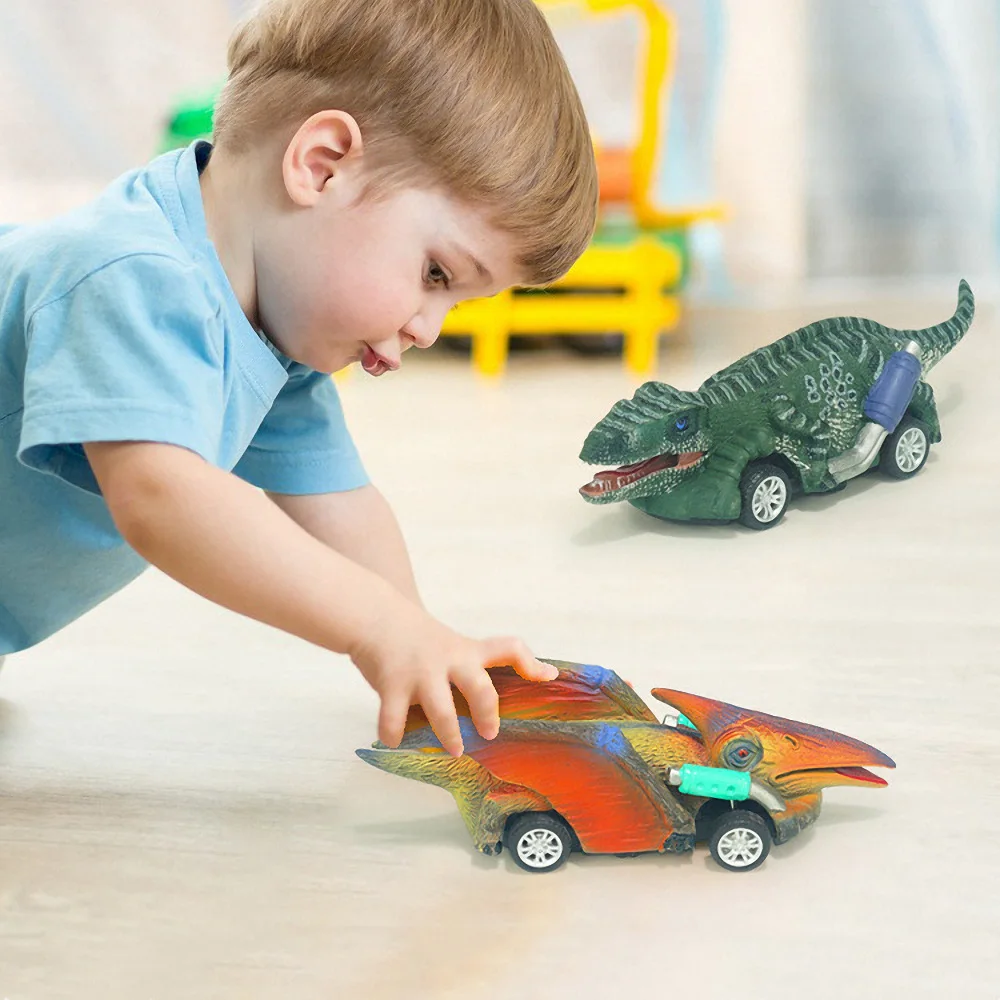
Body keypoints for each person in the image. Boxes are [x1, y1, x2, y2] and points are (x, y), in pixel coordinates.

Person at [0, 0, 598, 756]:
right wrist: (377, 626)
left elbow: (338, 499)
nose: (428, 329)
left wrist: (417, 643)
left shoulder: (270, 333)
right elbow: (161, 497)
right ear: (322, 165)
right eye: (436, 274)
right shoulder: (128, 273)